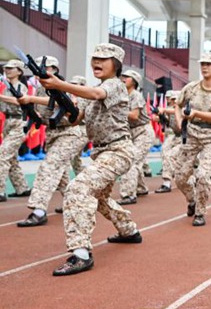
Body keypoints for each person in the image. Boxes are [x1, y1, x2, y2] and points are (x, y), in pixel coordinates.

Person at [39, 44, 143, 275]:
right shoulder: (91, 91)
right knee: (100, 199)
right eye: (94, 58)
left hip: (118, 151)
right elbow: (76, 119)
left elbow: (97, 94)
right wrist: (60, 97)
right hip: (100, 152)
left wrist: (59, 84)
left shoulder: (115, 85)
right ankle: (129, 230)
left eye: (103, 59)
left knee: (79, 188)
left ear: (115, 64)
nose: (96, 62)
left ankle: (81, 253)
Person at [16, 62, 89, 227]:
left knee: (50, 166)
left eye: (46, 68)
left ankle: (39, 210)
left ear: (54, 70)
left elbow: (67, 102)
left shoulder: (62, 84)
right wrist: (23, 102)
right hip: (53, 133)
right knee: (61, 176)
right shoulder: (39, 89)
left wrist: (30, 98)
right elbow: (41, 115)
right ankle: (78, 203)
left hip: (73, 132)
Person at [174, 52, 211, 226]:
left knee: (203, 175)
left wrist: (195, 113)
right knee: (180, 177)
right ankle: (192, 200)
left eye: (209, 64)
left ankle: (200, 212)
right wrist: (179, 120)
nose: (205, 67)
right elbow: (177, 105)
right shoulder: (191, 88)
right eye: (202, 64)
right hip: (192, 133)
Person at [117, 69, 155, 205]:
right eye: (123, 76)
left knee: (131, 161)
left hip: (143, 132)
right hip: (131, 132)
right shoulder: (121, 95)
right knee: (134, 160)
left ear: (134, 81)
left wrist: (116, 110)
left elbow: (134, 115)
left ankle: (128, 195)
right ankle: (141, 187)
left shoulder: (135, 95)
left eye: (127, 77)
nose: (123, 79)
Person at [0, 59, 32, 201]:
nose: (7, 70)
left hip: (19, 122)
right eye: (6, 68)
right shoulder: (6, 87)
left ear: (19, 71)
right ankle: (22, 188)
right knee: (11, 158)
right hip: (8, 121)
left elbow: (19, 101)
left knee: (2, 155)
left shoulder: (21, 87)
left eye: (11, 68)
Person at [155, 91, 181, 193]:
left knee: (186, 162)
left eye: (175, 99)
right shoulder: (170, 110)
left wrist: (163, 110)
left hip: (188, 139)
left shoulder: (185, 109)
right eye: (172, 99)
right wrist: (161, 117)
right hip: (176, 137)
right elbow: (168, 123)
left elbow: (177, 112)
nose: (172, 101)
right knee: (165, 152)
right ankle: (167, 183)